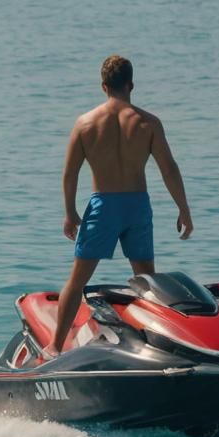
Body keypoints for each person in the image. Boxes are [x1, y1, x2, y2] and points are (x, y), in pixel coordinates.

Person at [49, 55, 193, 356]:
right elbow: (169, 168)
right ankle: (158, 345)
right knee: (147, 282)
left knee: (78, 280)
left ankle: (55, 346)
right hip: (137, 206)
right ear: (131, 84)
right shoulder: (148, 123)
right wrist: (183, 209)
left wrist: (70, 212)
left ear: (103, 86)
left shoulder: (85, 123)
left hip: (104, 206)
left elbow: (70, 172)